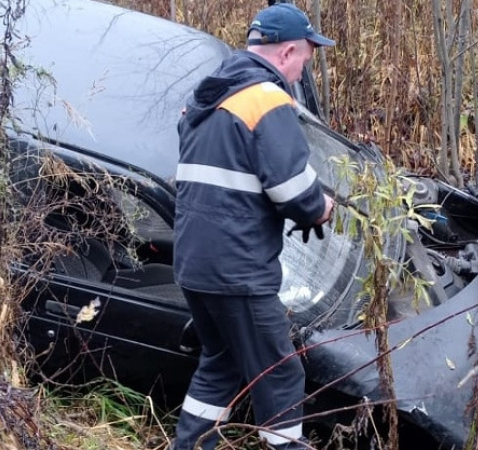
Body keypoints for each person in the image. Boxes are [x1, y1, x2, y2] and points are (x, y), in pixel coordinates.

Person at [171, 2, 335, 449]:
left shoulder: (206, 97)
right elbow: (293, 192)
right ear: (286, 53)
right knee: (280, 374)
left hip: (194, 264)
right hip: (237, 270)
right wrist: (322, 207)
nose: (304, 68)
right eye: (305, 56)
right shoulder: (266, 99)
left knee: (221, 363)